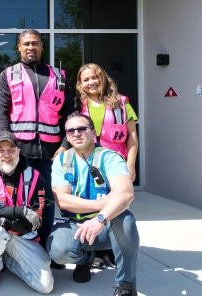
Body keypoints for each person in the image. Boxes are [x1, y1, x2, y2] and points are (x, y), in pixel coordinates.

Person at [0, 28, 76, 257]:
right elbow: (1, 112)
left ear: (42, 46)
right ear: (19, 47)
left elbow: (70, 112)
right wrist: (5, 147)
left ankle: (48, 247)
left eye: (35, 43)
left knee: (49, 200)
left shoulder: (59, 76)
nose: (31, 47)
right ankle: (18, 249)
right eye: (26, 44)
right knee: (20, 199)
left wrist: (65, 145)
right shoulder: (8, 75)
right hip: (20, 153)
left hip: (53, 153)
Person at [48, 113, 139, 296]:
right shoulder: (63, 160)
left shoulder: (110, 157)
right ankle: (85, 259)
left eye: (82, 128)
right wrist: (103, 203)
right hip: (76, 224)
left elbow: (126, 193)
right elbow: (62, 200)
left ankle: (126, 285)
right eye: (71, 130)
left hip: (107, 223)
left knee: (126, 222)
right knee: (57, 251)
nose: (77, 133)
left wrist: (100, 218)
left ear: (94, 132)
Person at [0, 131, 53, 293]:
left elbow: (34, 221)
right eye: (1, 150)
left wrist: (4, 221)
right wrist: (21, 210)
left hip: (22, 234)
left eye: (11, 149)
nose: (6, 155)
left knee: (45, 286)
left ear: (18, 150)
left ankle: (7, 260)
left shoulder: (36, 177)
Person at [77, 63, 139, 269]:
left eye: (94, 77)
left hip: (116, 165)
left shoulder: (122, 103)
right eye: (86, 79)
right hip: (89, 165)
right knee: (93, 207)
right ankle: (95, 251)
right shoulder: (79, 105)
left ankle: (114, 250)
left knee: (117, 207)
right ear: (81, 84)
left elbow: (132, 138)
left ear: (103, 78)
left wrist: (130, 165)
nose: (91, 82)